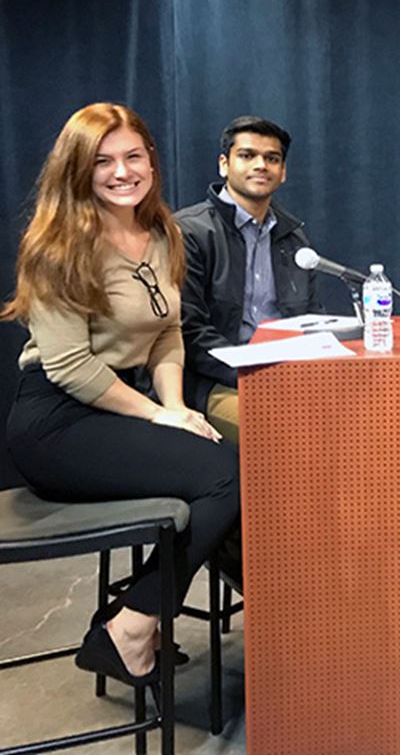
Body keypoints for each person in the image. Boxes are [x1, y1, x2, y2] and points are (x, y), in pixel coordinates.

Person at [3, 102, 240, 685]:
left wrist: (177, 407)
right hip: (56, 424)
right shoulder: (56, 246)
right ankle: (130, 627)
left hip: (125, 409)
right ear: (76, 170)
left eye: (134, 156)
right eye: (102, 161)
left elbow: (167, 336)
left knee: (233, 471)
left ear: (151, 162)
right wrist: (158, 417)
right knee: (224, 477)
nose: (121, 172)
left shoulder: (159, 233)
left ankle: (282, 622)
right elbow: (71, 368)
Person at [175, 116, 320, 444]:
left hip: (287, 377)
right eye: (247, 155)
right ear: (224, 165)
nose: (261, 166)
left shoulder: (294, 239)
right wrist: (253, 372)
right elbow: (187, 332)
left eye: (272, 159)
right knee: (284, 432)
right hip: (214, 382)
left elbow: (310, 319)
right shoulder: (188, 232)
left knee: (363, 413)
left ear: (282, 172)